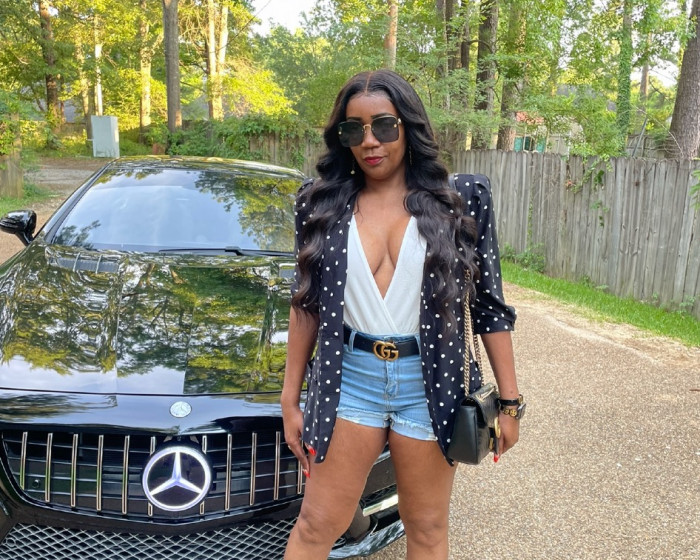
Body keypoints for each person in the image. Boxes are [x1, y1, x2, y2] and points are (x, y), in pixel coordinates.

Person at [281, 69, 521, 560]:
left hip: (428, 383)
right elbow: (306, 305)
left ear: (409, 127)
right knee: (315, 525)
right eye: (354, 129)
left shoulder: (460, 201)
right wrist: (290, 399)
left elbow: (490, 308)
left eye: (384, 126)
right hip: (351, 382)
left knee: (427, 529)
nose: (369, 141)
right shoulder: (320, 204)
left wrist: (511, 404)